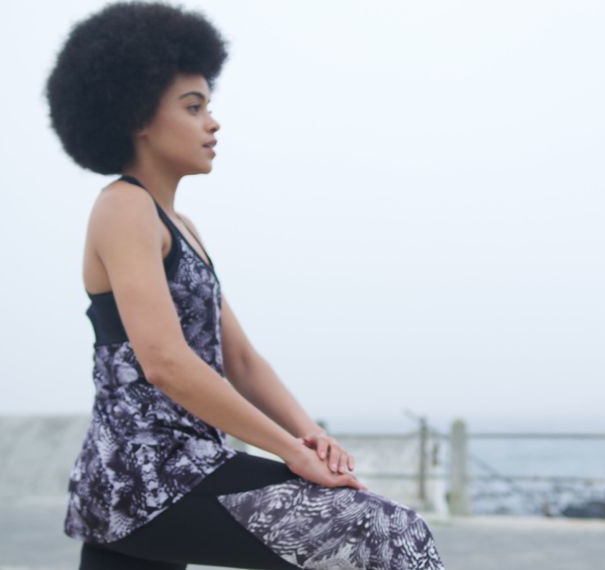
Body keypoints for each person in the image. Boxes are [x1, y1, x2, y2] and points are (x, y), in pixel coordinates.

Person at [44, 2, 447, 569]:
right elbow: (164, 361)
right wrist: (287, 452)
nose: (213, 123)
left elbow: (240, 358)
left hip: (176, 471)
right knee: (384, 530)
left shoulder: (182, 227)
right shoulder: (123, 206)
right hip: (146, 475)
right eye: (193, 107)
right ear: (137, 115)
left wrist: (312, 440)